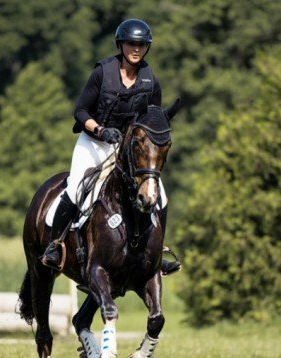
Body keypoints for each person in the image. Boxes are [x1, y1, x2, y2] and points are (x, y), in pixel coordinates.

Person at [41, 18, 181, 276]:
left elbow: (153, 118)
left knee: (159, 193)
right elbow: (80, 111)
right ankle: (55, 244)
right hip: (94, 142)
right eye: (131, 44)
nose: (136, 49)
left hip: (126, 149)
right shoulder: (102, 73)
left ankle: (157, 251)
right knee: (75, 189)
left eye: (141, 44)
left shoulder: (150, 80)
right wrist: (101, 130)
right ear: (121, 45)